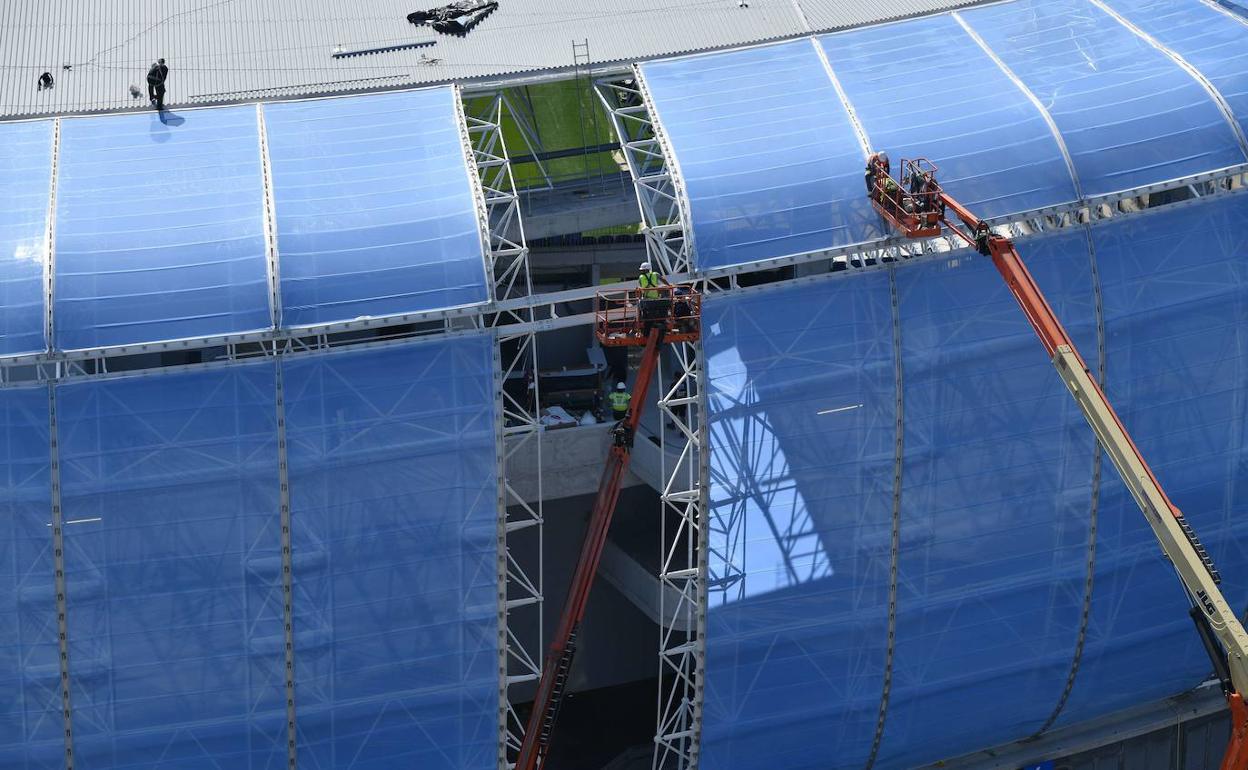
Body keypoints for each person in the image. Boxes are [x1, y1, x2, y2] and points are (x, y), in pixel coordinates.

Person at [638, 261, 669, 334]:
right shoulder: (655, 274)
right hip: (656, 299)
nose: (641, 271)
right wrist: (669, 285)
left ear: (645, 270)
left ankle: (645, 328)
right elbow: (663, 280)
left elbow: (641, 287)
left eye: (642, 270)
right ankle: (663, 326)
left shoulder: (641, 277)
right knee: (660, 314)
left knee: (646, 316)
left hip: (647, 300)